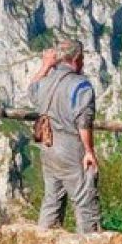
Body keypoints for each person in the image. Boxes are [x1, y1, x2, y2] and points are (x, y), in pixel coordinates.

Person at [29, 37, 101, 232]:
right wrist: (89, 151)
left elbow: (32, 92)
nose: (84, 62)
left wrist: (45, 66)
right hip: (71, 147)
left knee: (52, 199)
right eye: (82, 58)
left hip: (48, 146)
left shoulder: (45, 81)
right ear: (76, 58)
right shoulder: (81, 85)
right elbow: (83, 121)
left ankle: (43, 242)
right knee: (84, 201)